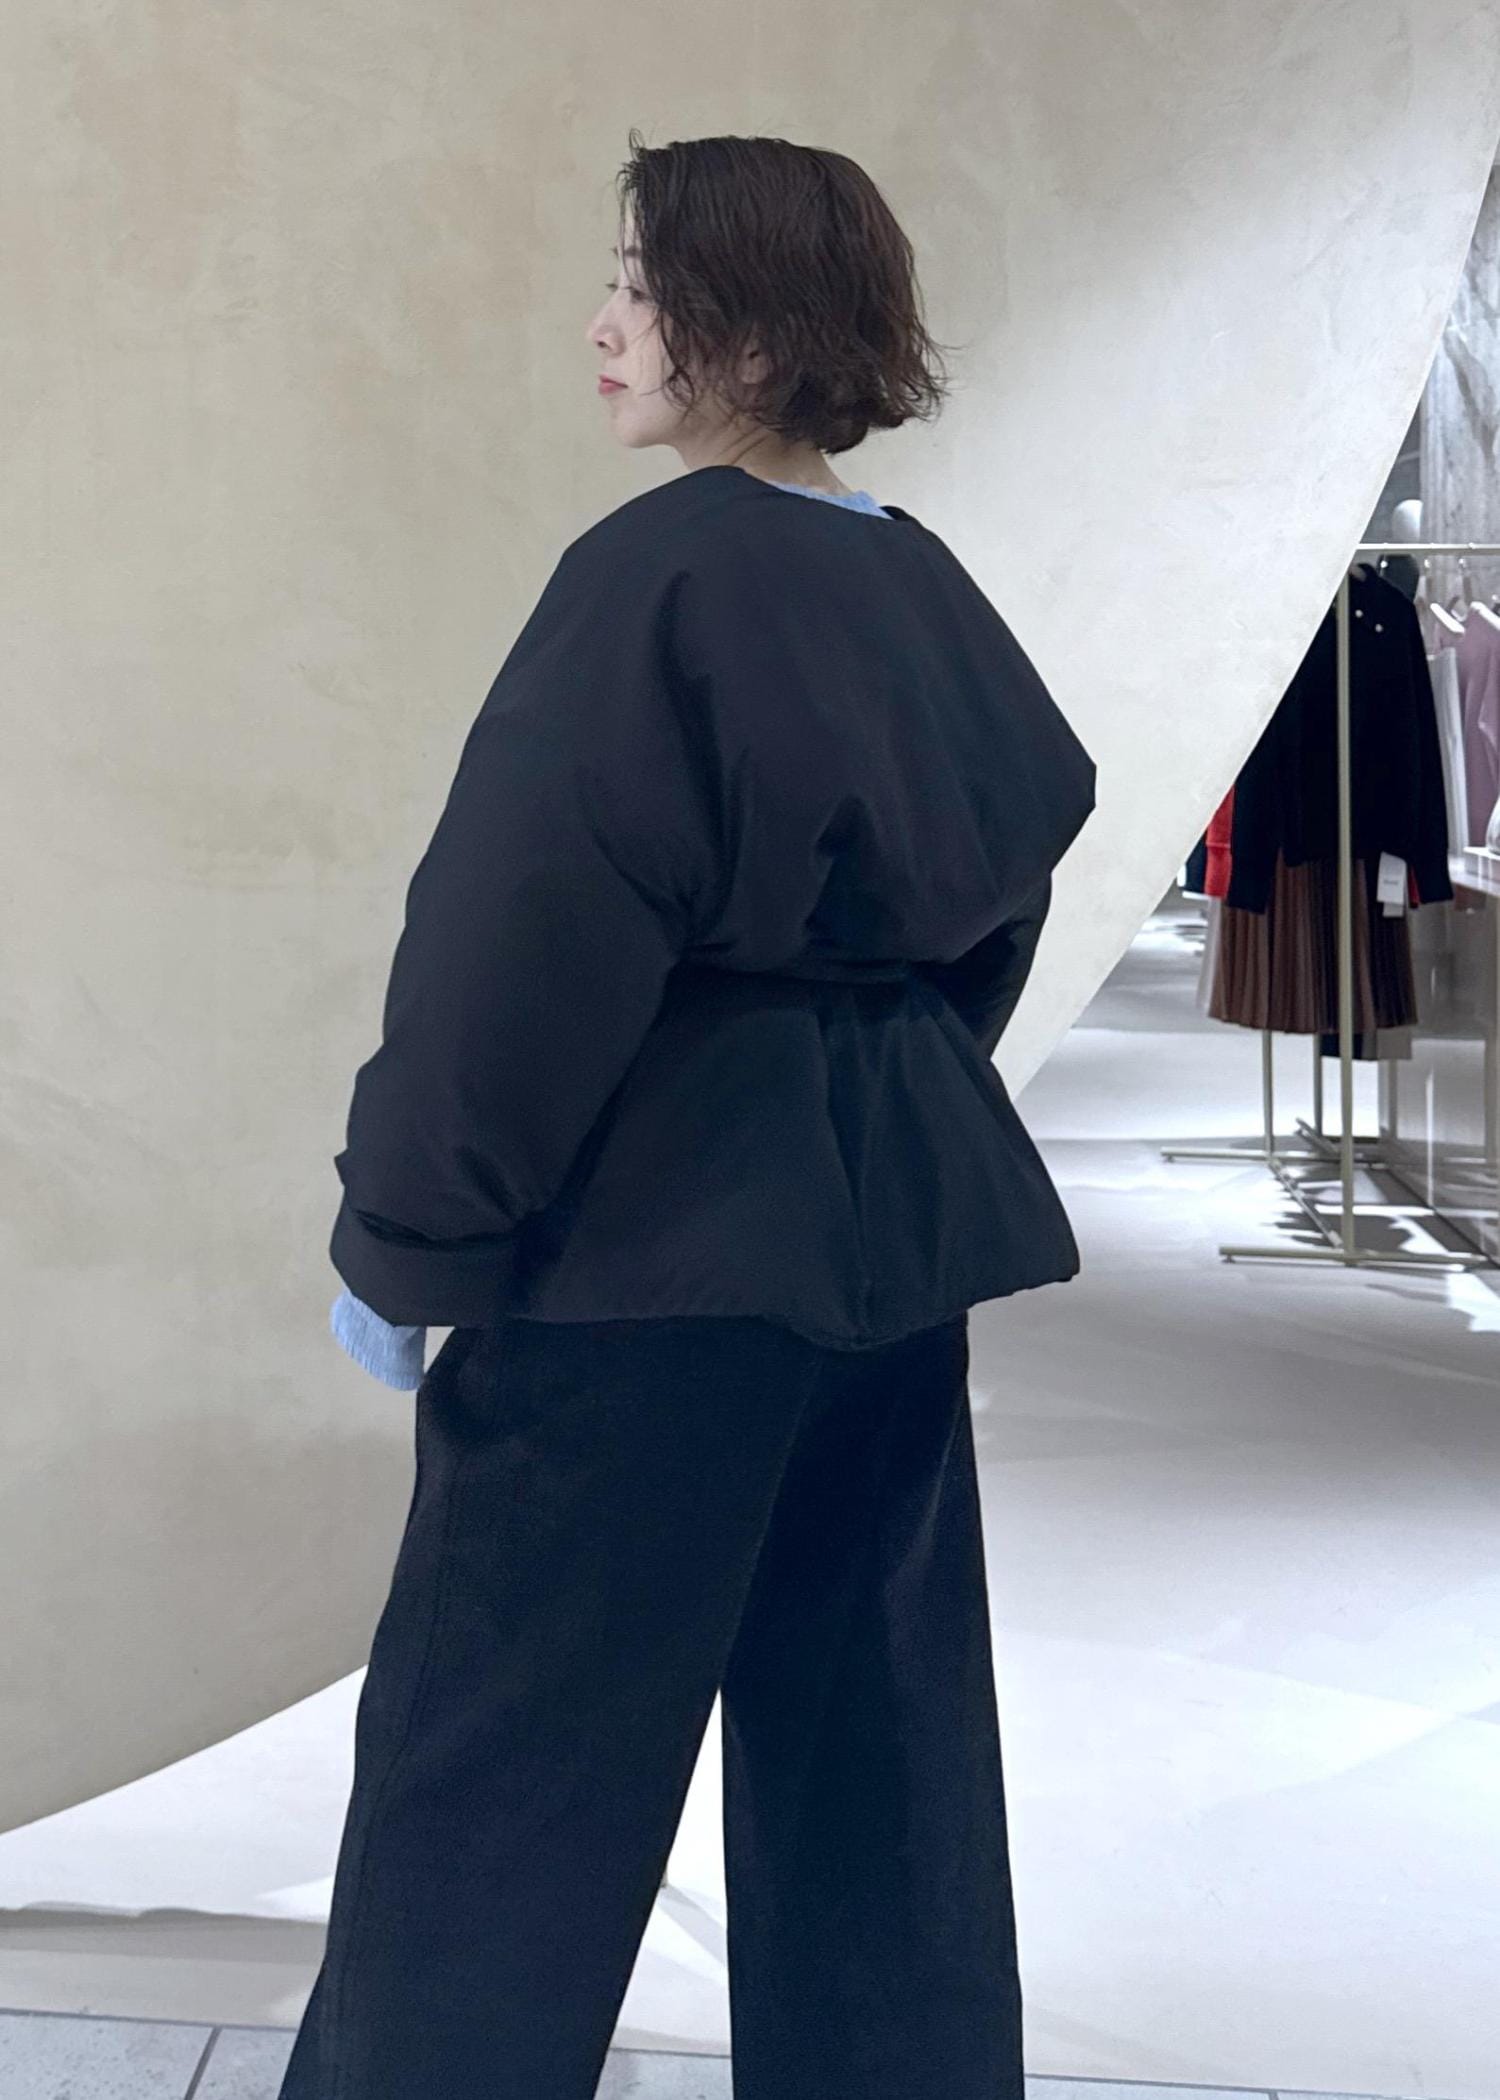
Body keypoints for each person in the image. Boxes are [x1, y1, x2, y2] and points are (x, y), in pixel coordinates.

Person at [280, 129, 1095, 2100]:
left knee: (497, 1787)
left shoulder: (656, 575)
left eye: (639, 291)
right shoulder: (919, 581)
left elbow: (516, 941)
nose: (604, 326)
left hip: (641, 1264)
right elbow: (1008, 885)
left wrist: (411, 1235)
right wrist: (866, 1107)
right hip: (890, 1257)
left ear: (743, 326)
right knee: (878, 1778)